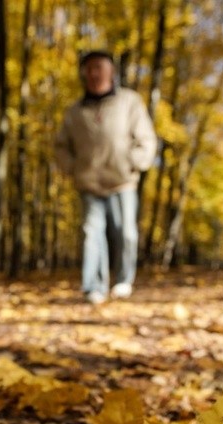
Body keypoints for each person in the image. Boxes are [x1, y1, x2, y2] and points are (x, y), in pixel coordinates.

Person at [54, 50, 157, 304]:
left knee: (127, 233)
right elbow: (60, 146)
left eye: (99, 67)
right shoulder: (75, 112)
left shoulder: (129, 101)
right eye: (88, 68)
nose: (93, 73)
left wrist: (133, 162)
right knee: (92, 234)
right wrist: (72, 168)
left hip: (122, 181)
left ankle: (123, 280)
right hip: (89, 182)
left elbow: (146, 138)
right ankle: (93, 287)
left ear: (111, 72)